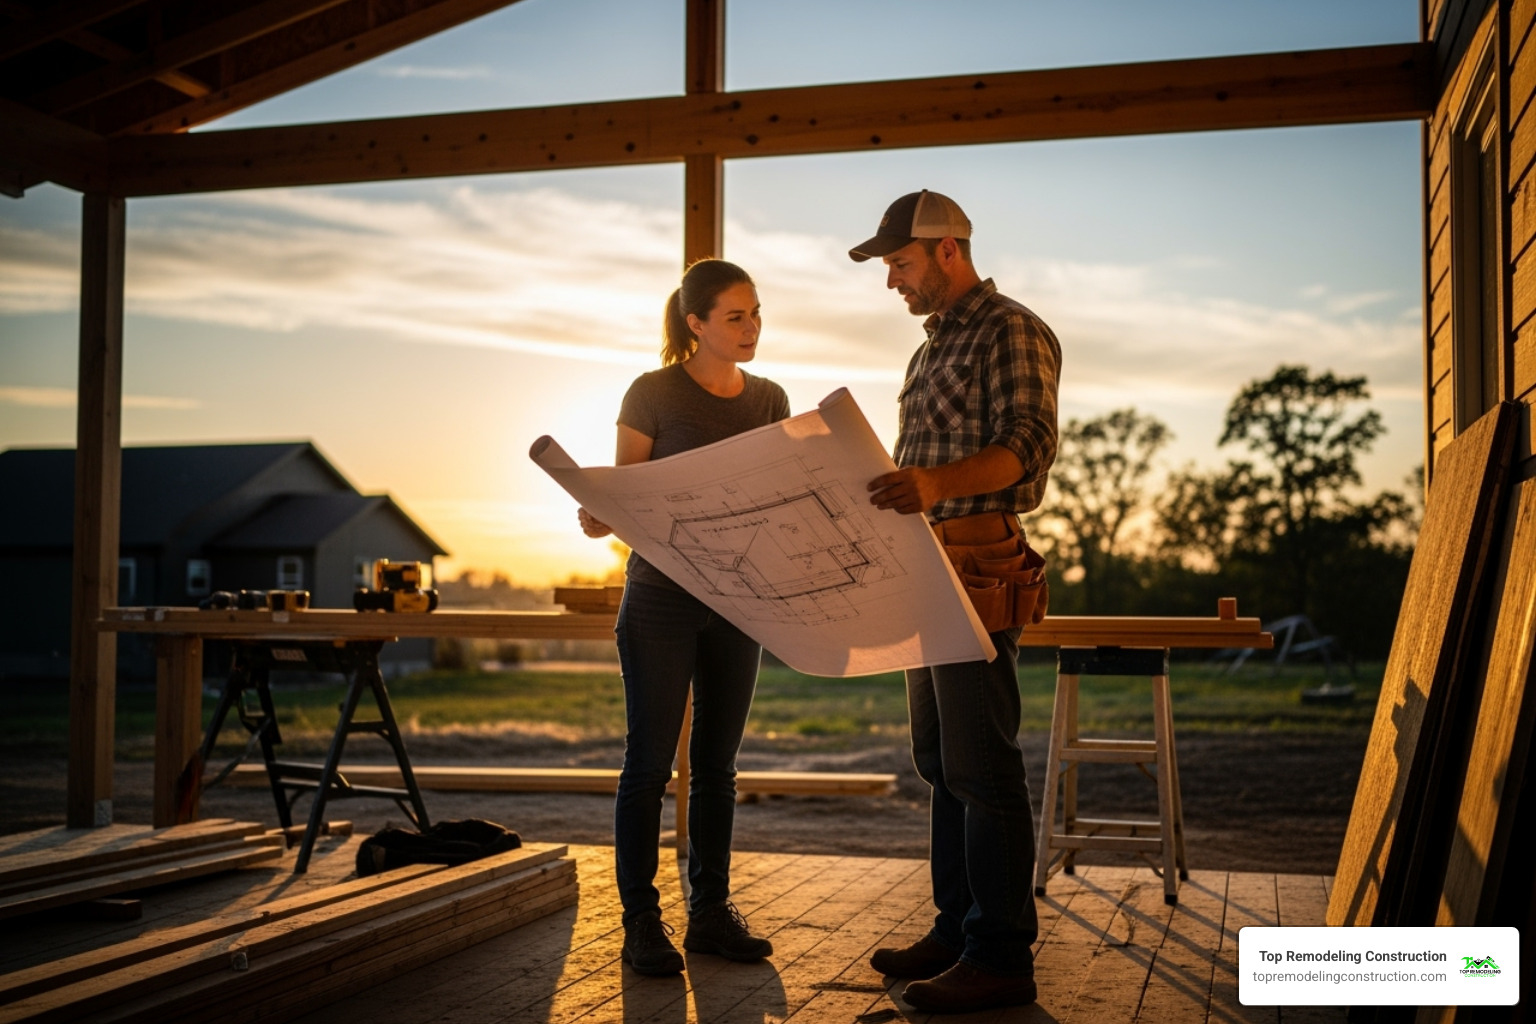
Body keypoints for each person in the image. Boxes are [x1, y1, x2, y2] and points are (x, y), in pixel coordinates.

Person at [850, 190, 1061, 1014]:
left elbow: (1029, 445)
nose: (892, 282)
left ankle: (1001, 955)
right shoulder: (929, 351)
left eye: (899, 264)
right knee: (941, 765)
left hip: (975, 564)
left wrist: (935, 483)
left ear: (946, 250)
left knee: (982, 766)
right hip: (924, 569)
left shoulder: (1010, 328)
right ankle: (956, 928)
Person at [577, 258, 790, 977]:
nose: (752, 325)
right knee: (647, 766)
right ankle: (641, 922)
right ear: (695, 323)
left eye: (757, 312)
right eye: (736, 315)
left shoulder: (770, 399)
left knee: (718, 770)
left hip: (739, 601)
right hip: (662, 601)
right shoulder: (652, 392)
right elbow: (626, 496)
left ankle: (710, 915)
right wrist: (599, 513)